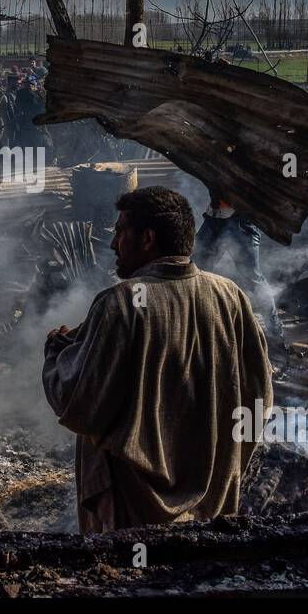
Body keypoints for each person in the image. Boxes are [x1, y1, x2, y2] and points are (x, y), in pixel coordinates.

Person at [41, 186, 273, 533]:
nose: (112, 244)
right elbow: (260, 400)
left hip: (133, 518)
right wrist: (226, 464)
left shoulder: (120, 303)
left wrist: (57, 351)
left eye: (120, 232)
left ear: (147, 238)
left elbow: (79, 402)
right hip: (210, 510)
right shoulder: (230, 297)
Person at [194, 191, 286, 348]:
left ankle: (276, 333)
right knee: (193, 272)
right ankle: (194, 329)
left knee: (254, 279)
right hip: (215, 218)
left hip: (241, 221)